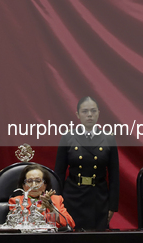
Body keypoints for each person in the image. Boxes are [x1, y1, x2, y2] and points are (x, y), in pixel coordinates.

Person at [54, 96, 119, 231]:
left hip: (98, 199)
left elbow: (114, 176)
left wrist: (112, 206)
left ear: (99, 113)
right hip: (72, 198)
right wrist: (57, 204)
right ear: (77, 114)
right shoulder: (68, 137)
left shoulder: (108, 138)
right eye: (85, 111)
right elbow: (58, 174)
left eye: (93, 111)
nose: (89, 115)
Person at [8, 164, 75, 229]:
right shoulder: (16, 201)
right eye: (29, 181)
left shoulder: (56, 199)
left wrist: (52, 210)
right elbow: (20, 226)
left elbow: (71, 225)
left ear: (45, 186)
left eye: (38, 181)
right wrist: (41, 208)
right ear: (23, 186)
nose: (34, 185)